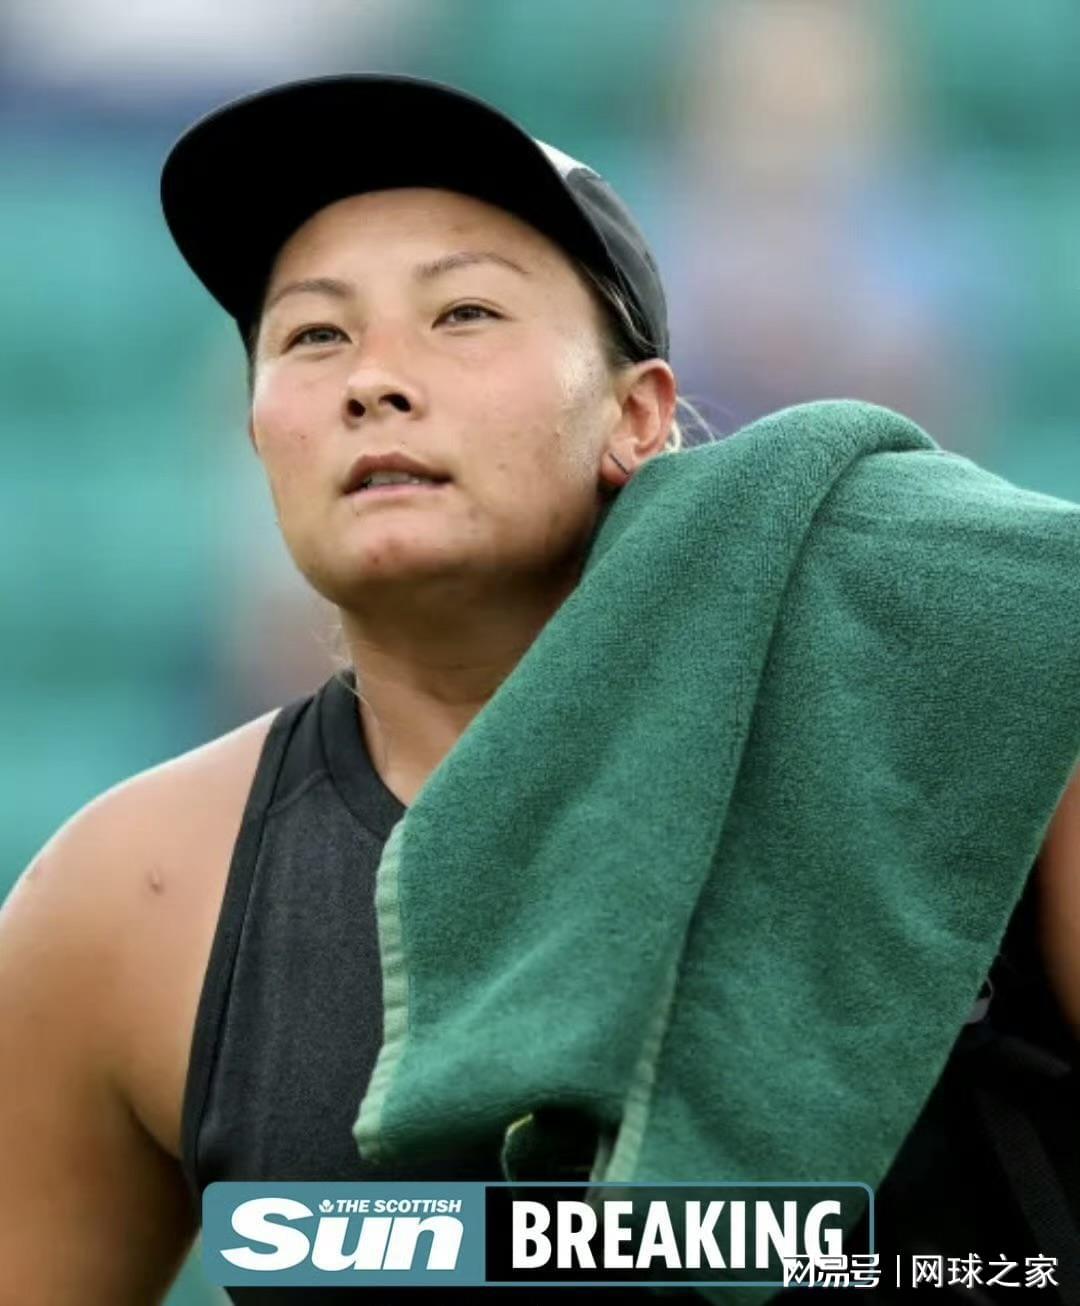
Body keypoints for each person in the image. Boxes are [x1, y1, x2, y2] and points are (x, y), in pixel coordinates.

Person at [0, 72, 1078, 1306]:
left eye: (463, 313)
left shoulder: (967, 704)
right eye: (314, 336)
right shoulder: (130, 907)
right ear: (256, 433)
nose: (373, 379)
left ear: (641, 418)